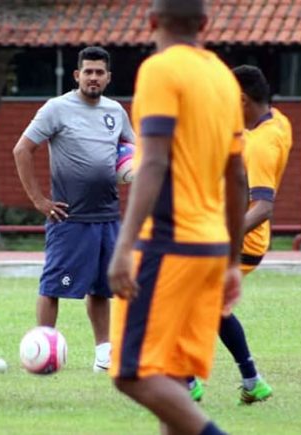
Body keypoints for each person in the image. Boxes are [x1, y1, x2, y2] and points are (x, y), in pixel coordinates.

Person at [106, 0, 247, 434]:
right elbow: (237, 176)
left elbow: (153, 163)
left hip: (169, 243)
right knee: (171, 380)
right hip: (210, 248)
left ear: (151, 21)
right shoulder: (223, 78)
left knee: (131, 373)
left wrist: (124, 247)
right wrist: (232, 262)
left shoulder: (159, 70)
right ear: (204, 24)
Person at [13, 46, 135, 372]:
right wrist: (39, 200)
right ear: (77, 75)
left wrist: (133, 168)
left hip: (108, 216)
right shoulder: (57, 109)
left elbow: (131, 153)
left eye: (99, 72)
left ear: (108, 77)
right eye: (88, 71)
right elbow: (22, 150)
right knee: (53, 286)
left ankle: (103, 355)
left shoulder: (116, 112)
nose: (93, 77)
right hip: (70, 217)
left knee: (101, 288)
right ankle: (44, 349)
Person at [188, 65, 291, 404]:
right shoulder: (278, 120)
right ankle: (252, 381)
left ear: (243, 100)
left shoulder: (261, 144)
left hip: (239, 241)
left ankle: (187, 383)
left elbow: (263, 207)